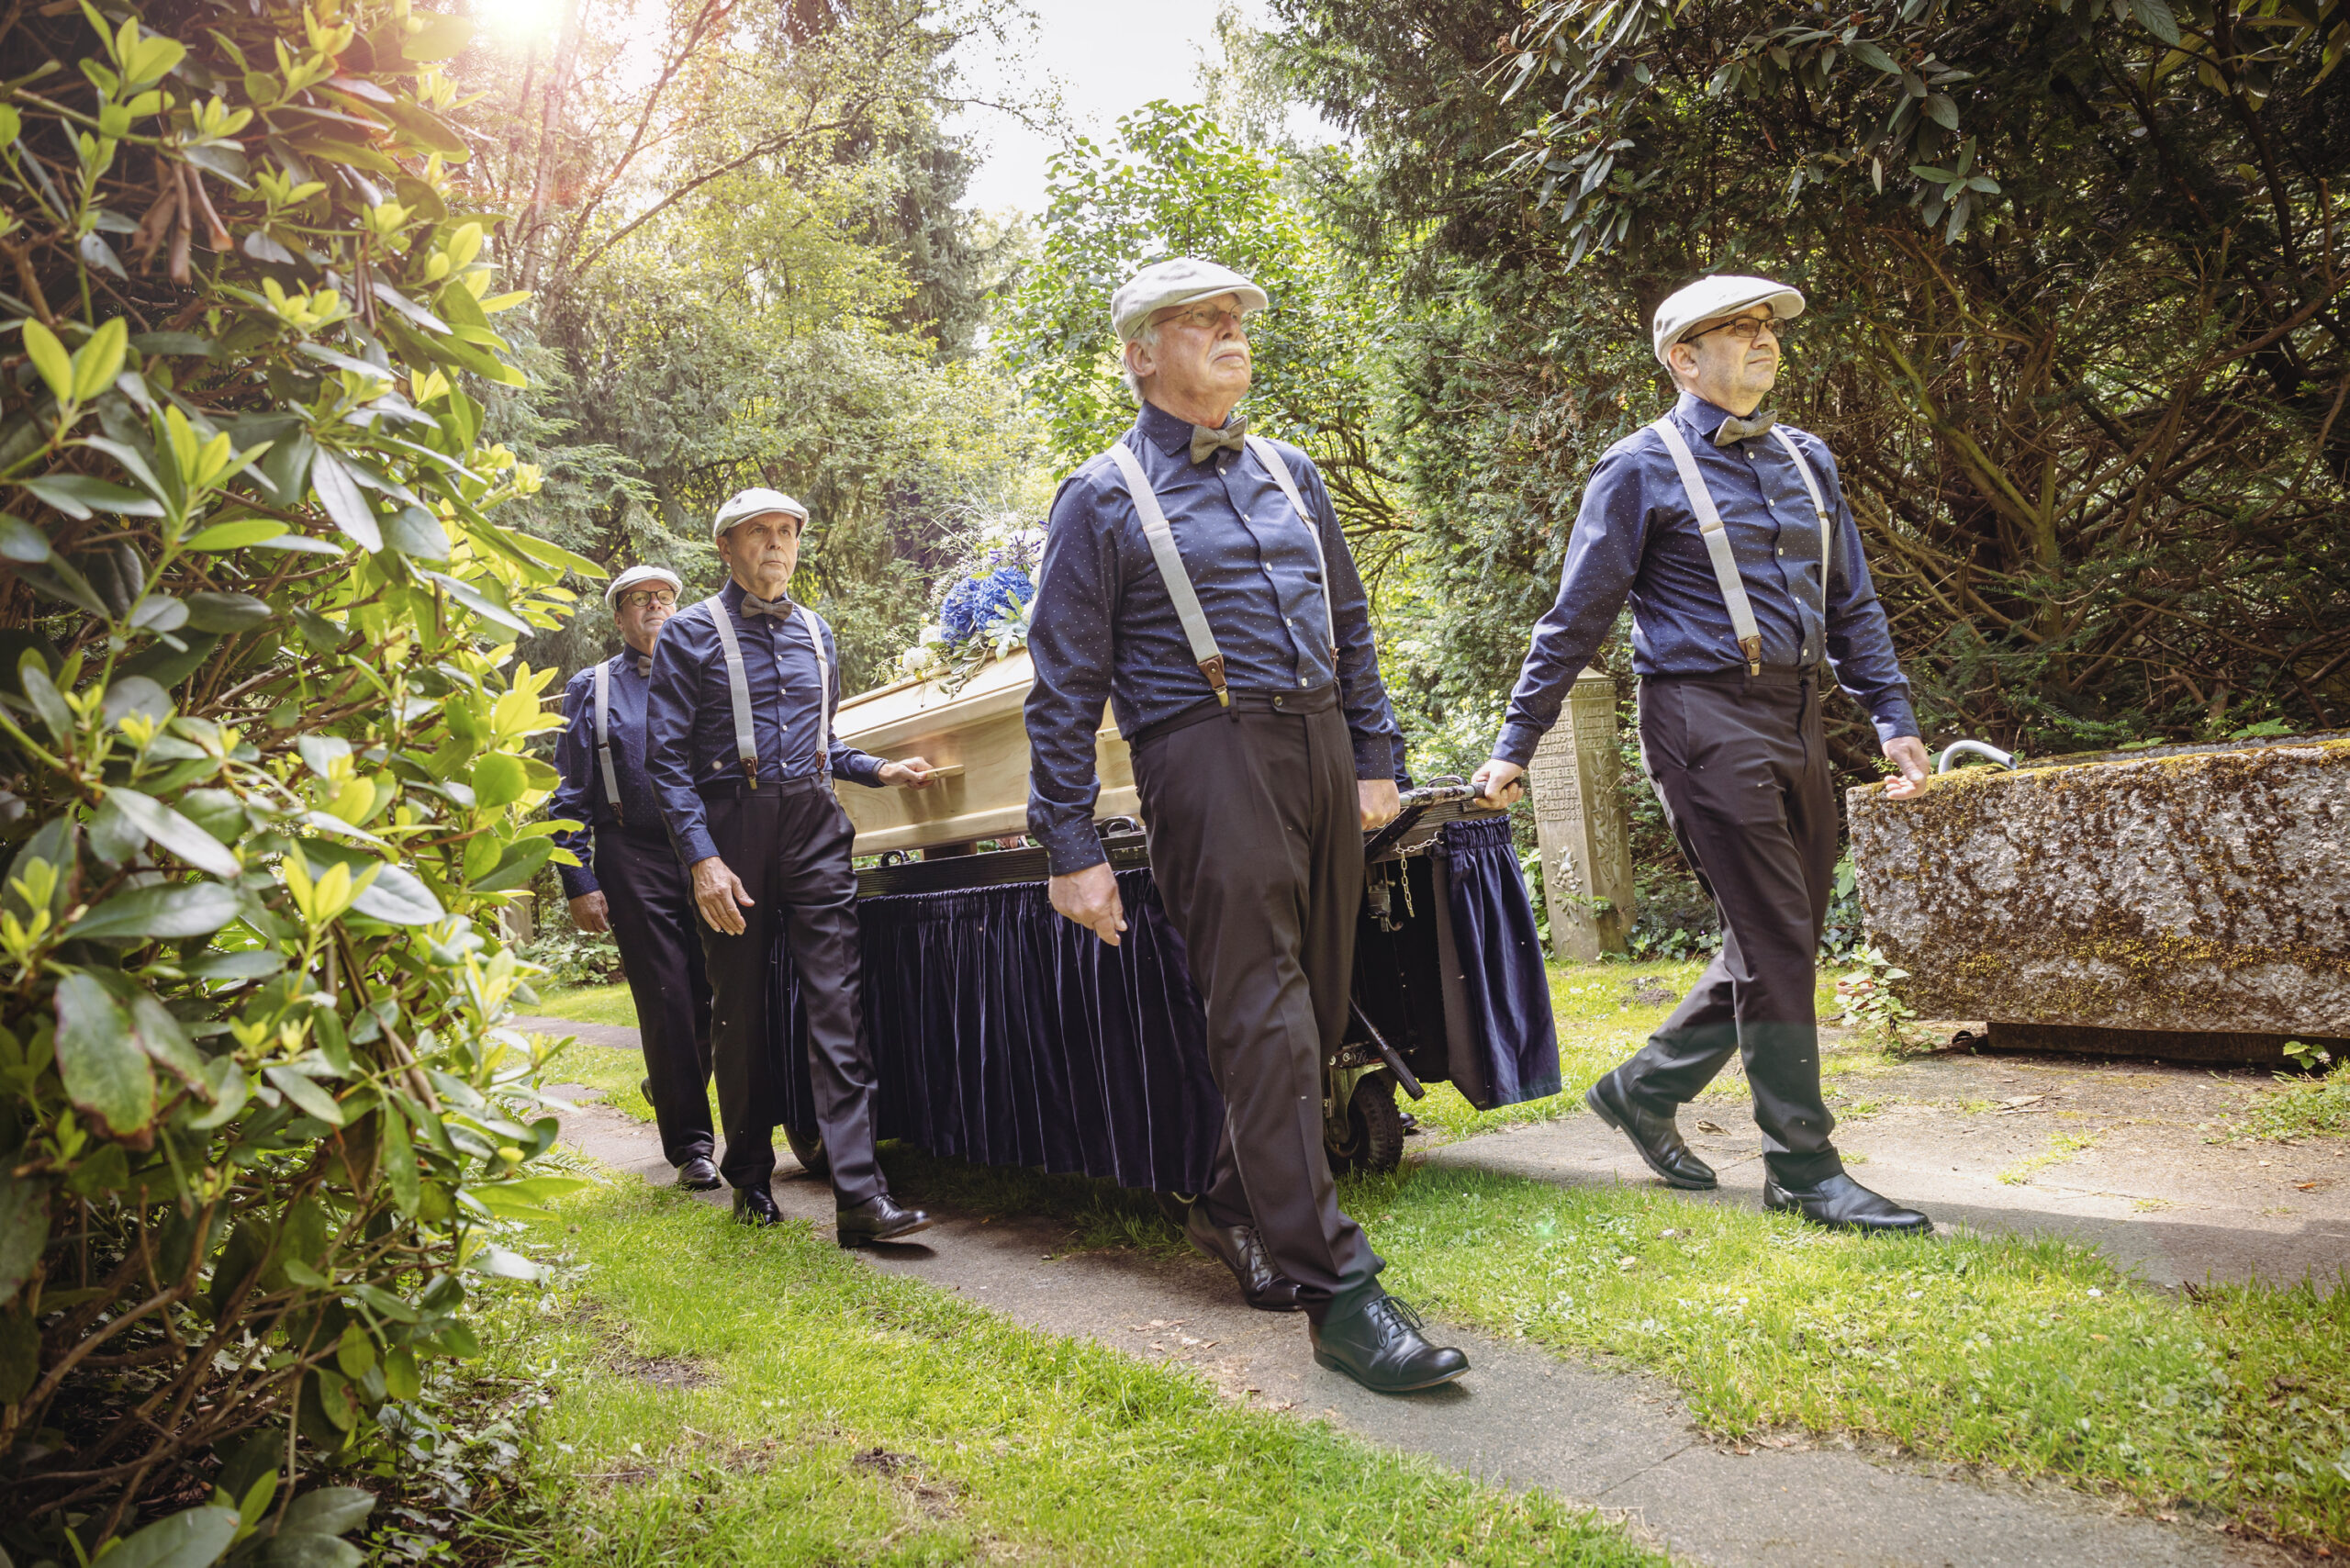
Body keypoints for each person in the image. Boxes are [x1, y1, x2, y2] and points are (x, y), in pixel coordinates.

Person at [1025, 257, 1469, 1394]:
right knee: (1265, 1013)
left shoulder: (1290, 469)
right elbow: (1063, 690)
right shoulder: (1101, 496)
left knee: (1314, 1013)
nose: (1232, 332)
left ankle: (1231, 1202)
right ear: (1140, 355)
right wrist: (1067, 846)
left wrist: (1376, 758)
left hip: (1317, 744)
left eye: (1238, 320)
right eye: (1202, 321)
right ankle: (1341, 1295)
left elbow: (1352, 621)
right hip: (1202, 755)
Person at [1472, 274, 1935, 1235]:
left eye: (1768, 328)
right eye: (1738, 330)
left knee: (1784, 933)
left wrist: (1890, 714)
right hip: (1696, 718)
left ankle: (1643, 1089)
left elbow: (1851, 602)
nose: (1763, 342)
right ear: (1683, 358)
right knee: (1774, 934)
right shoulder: (1635, 469)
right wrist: (1515, 744)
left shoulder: (1808, 458)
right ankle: (1801, 1164)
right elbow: (1576, 619)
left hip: (1798, 712)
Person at [643, 487, 939, 1244]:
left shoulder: (818, 632)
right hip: (730, 831)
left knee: (837, 1004)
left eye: (787, 532)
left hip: (812, 822)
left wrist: (879, 770)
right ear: (727, 548)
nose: (777, 545)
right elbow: (666, 764)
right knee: (739, 1011)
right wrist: (702, 860)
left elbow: (824, 743)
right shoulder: (688, 635)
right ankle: (749, 1177)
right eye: (759, 533)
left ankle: (859, 1198)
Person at [549, 565, 717, 1192]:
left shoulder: (705, 678)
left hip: (707, 852)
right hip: (632, 853)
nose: (655, 606)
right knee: (667, 995)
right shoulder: (589, 689)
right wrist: (579, 879)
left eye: (665, 598)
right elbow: (568, 793)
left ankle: (669, 1081)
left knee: (719, 990)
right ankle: (693, 1147)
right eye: (640, 600)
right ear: (618, 616)